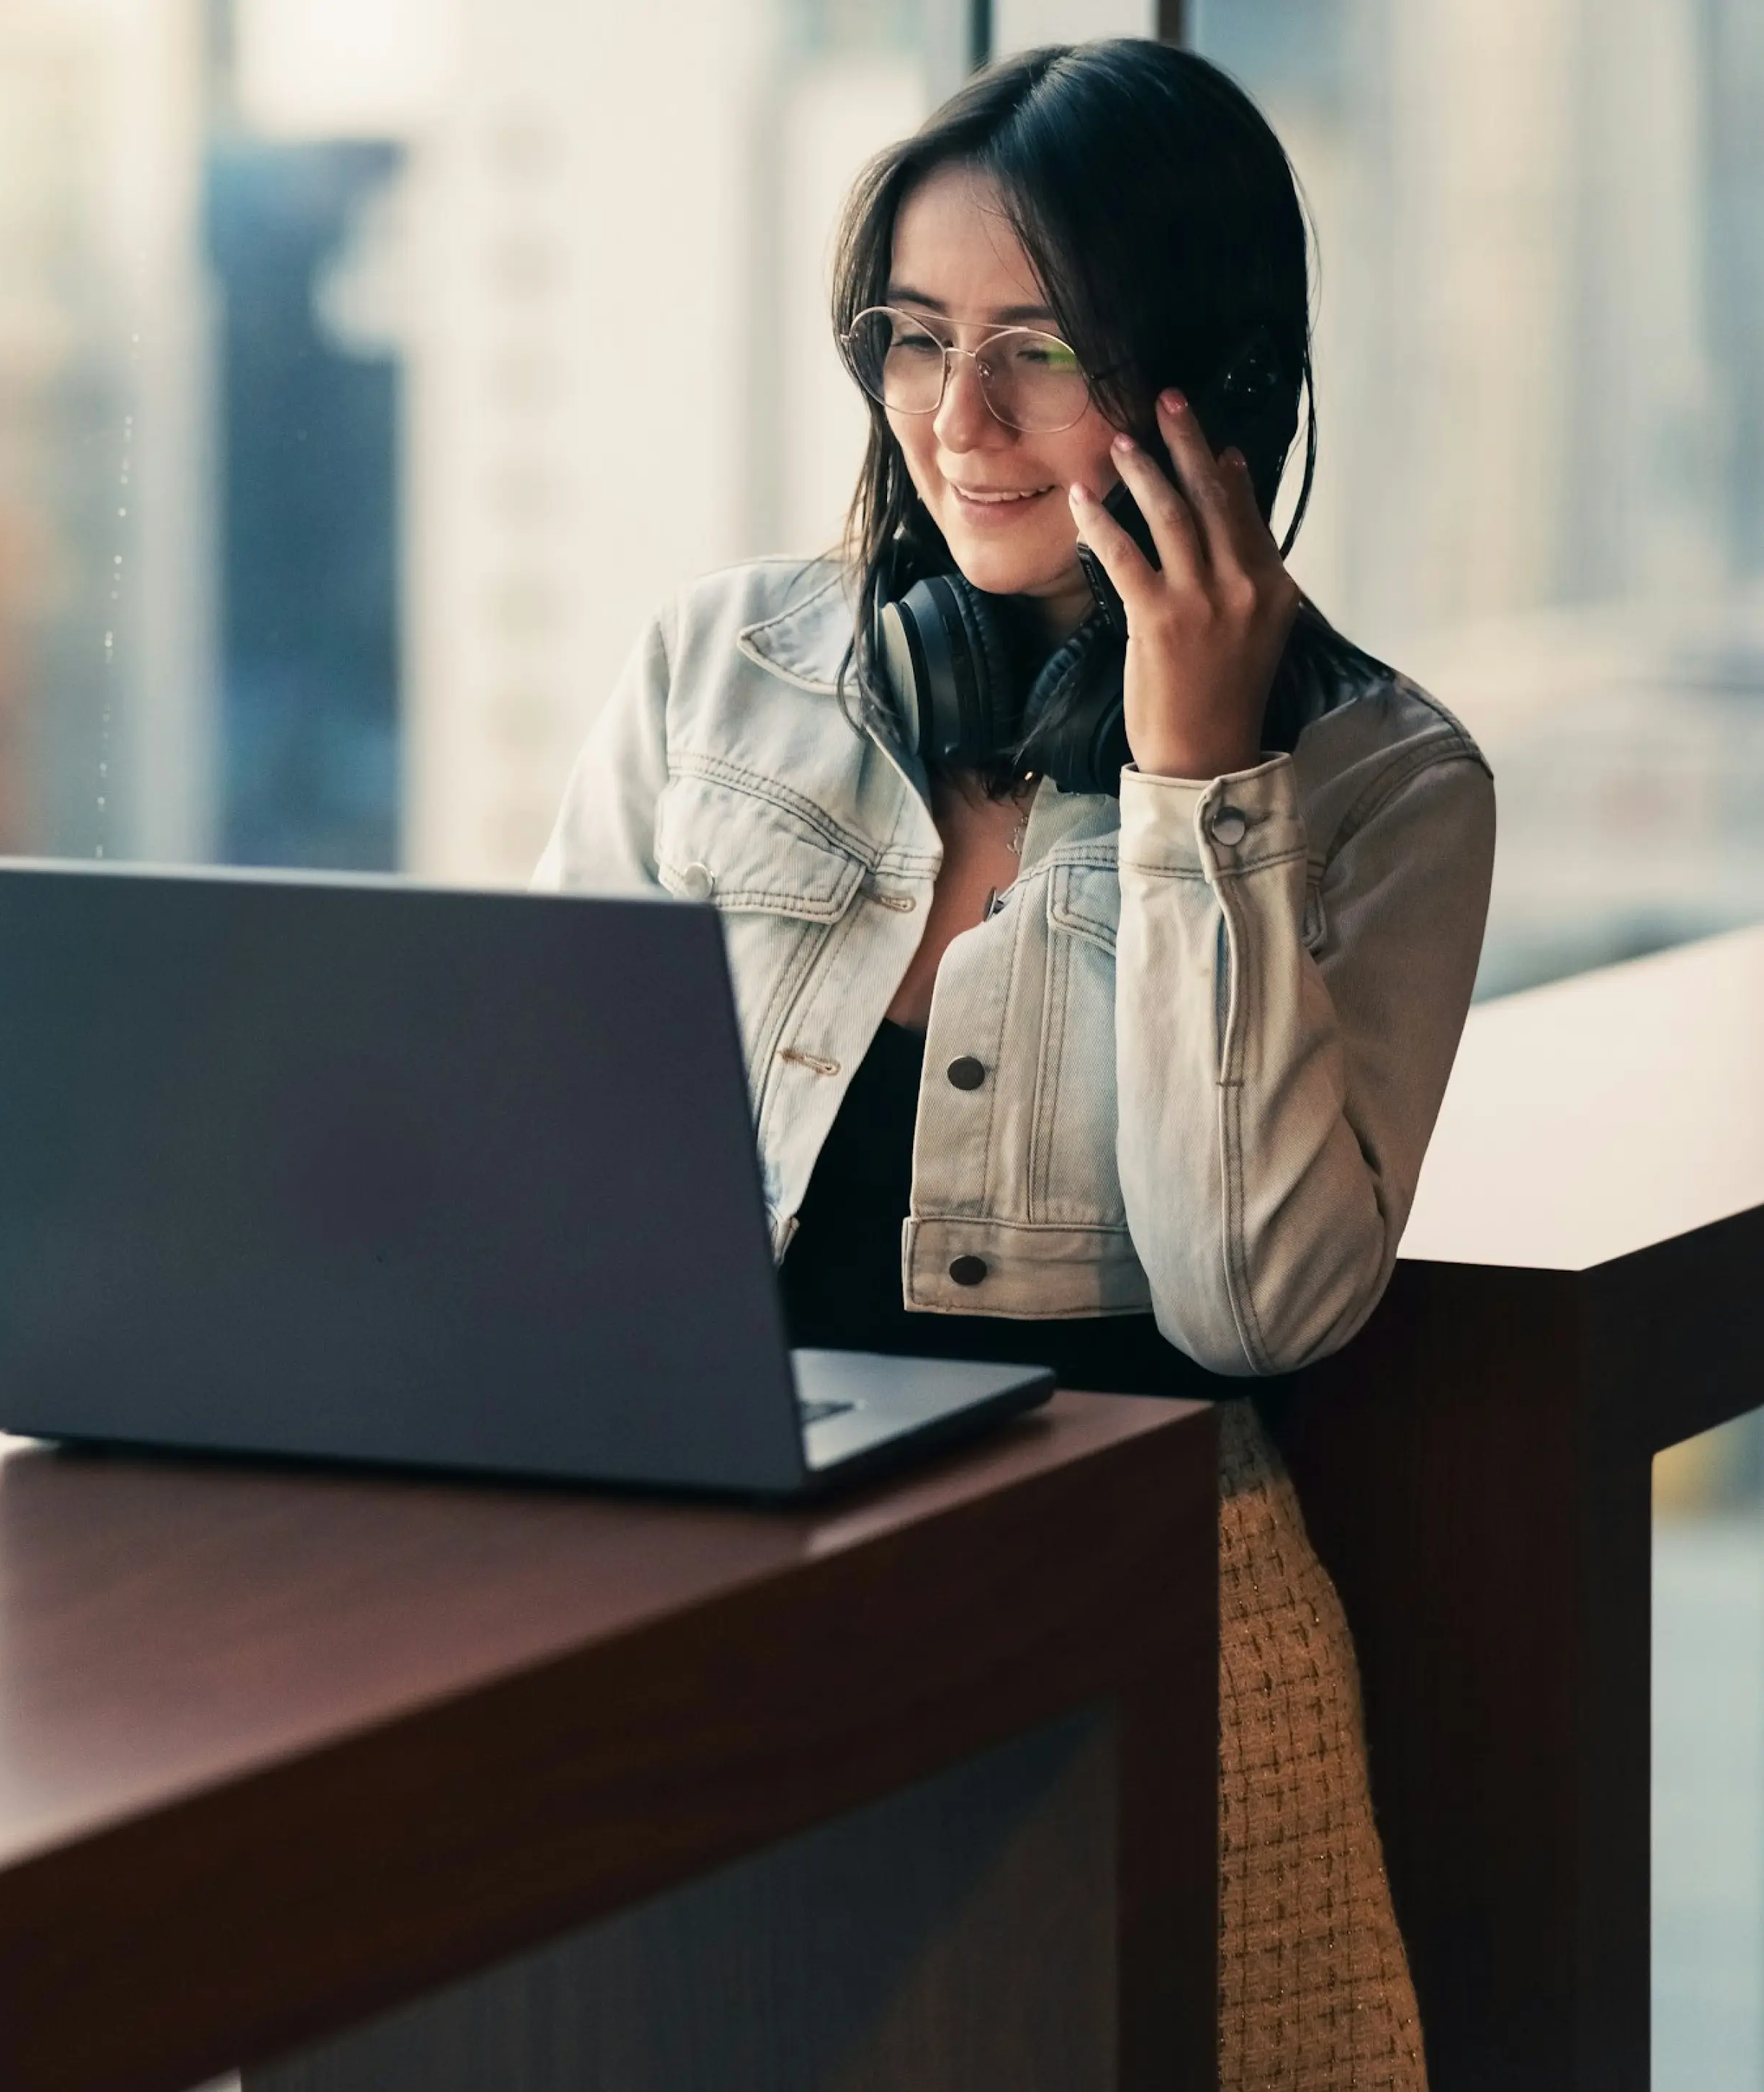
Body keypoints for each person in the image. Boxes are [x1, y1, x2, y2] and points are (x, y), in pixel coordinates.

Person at [537, 38, 1492, 2091]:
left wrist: (1195, 780)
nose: (954, 424)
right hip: (714, 1595)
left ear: (1211, 382)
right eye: (911, 338)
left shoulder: (1390, 787)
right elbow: (547, 1164)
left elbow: (1256, 1301)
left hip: (1133, 1619)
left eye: (1038, 349)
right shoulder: (718, 674)